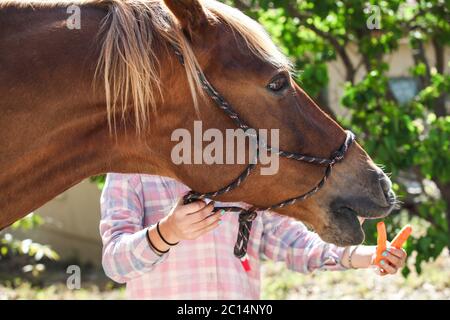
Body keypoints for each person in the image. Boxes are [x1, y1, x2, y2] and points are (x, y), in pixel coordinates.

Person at [100, 173, 407, 299]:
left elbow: (291, 242)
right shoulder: (130, 172)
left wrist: (362, 256)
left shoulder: (241, 170)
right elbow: (116, 264)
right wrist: (166, 233)